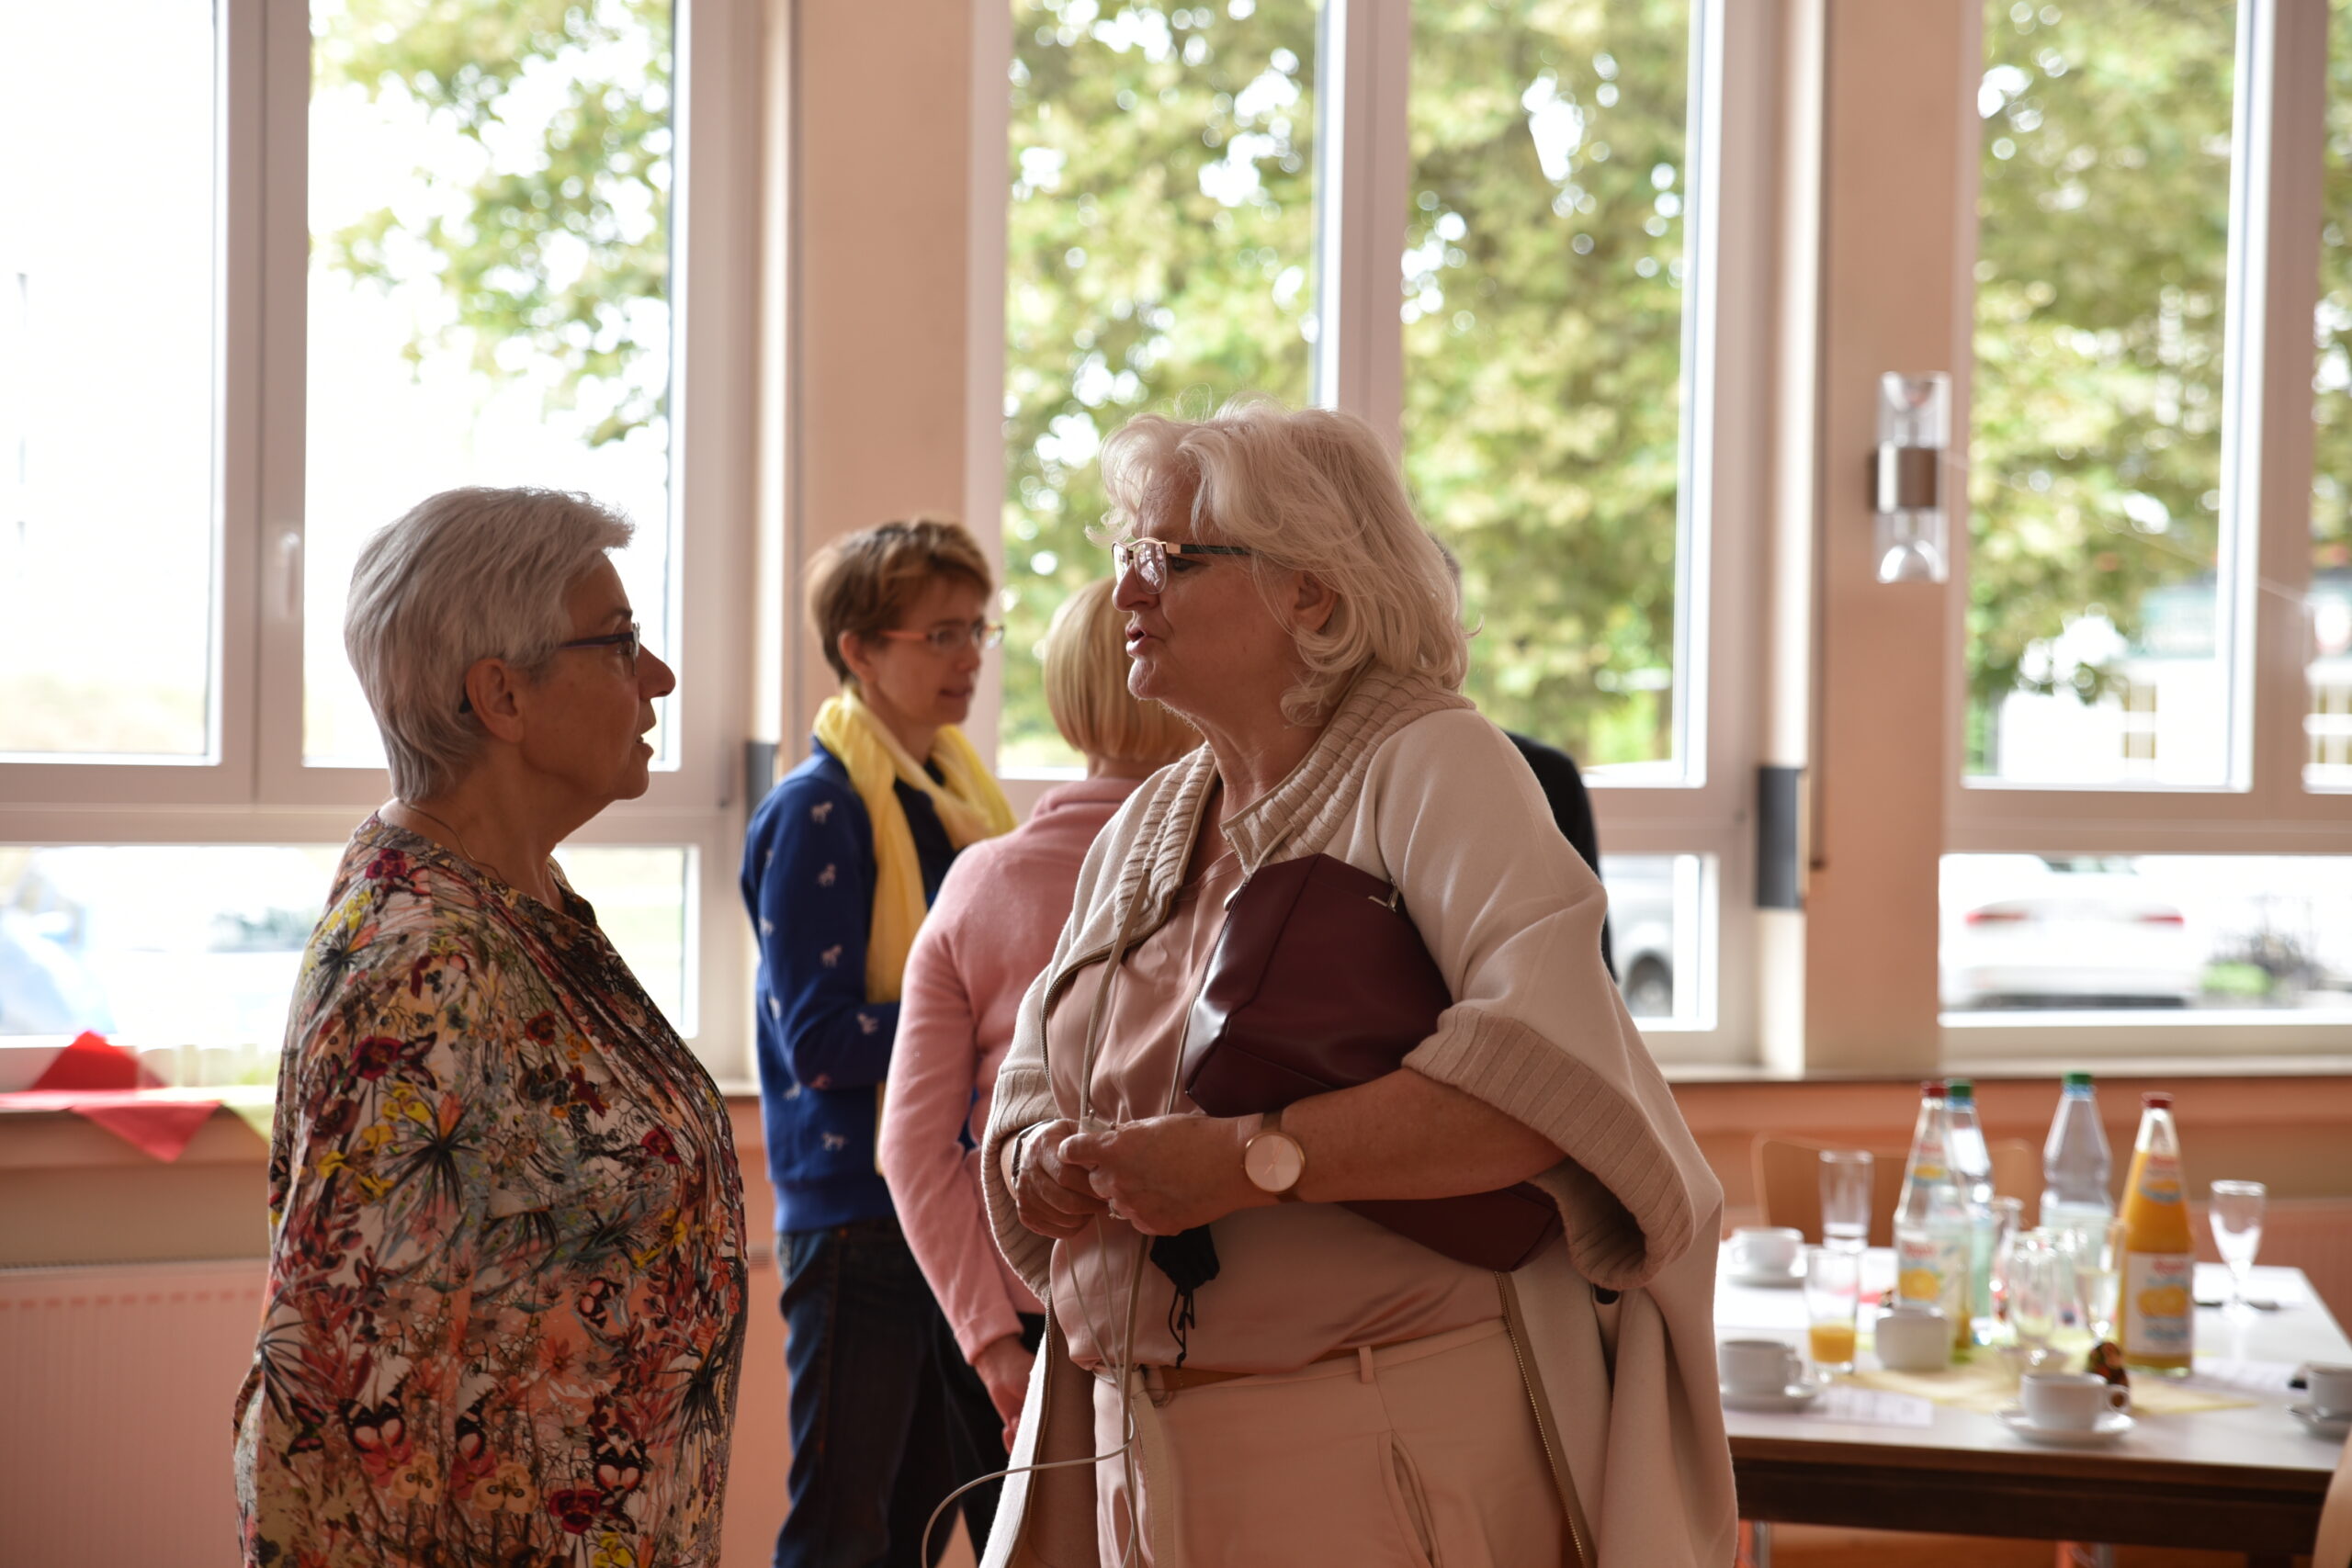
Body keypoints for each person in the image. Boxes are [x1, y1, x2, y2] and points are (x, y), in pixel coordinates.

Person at [976, 400, 1735, 1567]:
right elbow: (1034, 1078)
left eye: (1169, 558)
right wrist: (1039, 1158)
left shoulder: (1435, 761)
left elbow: (1541, 1088)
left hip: (1373, 1452)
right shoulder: (1150, 816)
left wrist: (1244, 1164)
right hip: (1136, 1454)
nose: (1124, 590)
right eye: (1126, 554)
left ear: (1312, 595)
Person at [232, 486, 747, 1568]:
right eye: (620, 643)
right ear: (501, 694)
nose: (657, 677)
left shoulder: (521, 901)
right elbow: (340, 1400)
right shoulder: (423, 964)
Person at [742, 518, 1019, 1568]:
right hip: (855, 1212)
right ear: (859, 649)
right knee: (842, 1532)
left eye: (977, 630)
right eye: (940, 634)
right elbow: (818, 1040)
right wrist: (983, 1030)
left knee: (926, 1523)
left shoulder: (959, 802)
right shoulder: (816, 812)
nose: (968, 658)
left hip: (951, 1205)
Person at [879, 579, 1196, 1458]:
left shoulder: (982, 881)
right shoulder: (1247, 866)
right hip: (1197, 1311)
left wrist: (990, 1343)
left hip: (1017, 1310)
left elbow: (912, 1145)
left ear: (1063, 699)